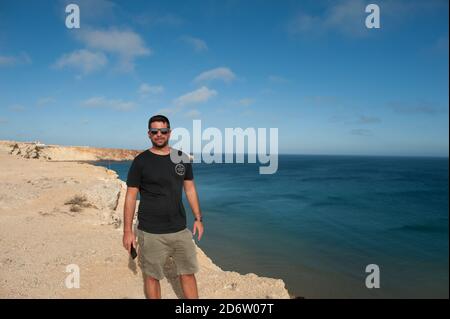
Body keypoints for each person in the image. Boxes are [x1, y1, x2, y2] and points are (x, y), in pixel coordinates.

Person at [122, 114, 204, 299]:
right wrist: (128, 231)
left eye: (163, 131)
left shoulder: (181, 158)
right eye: (155, 131)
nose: (159, 134)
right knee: (152, 277)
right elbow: (130, 196)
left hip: (179, 229)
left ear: (170, 132)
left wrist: (198, 218)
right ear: (149, 134)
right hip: (150, 232)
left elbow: (190, 189)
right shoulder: (140, 161)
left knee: (188, 273)